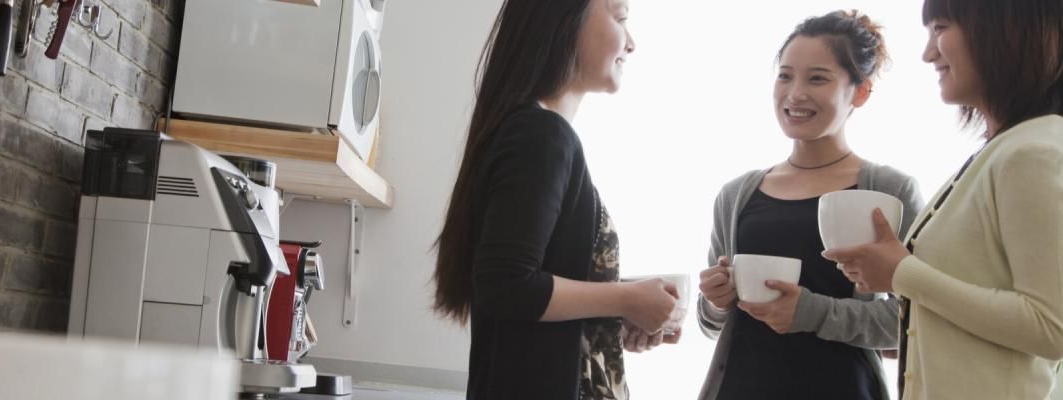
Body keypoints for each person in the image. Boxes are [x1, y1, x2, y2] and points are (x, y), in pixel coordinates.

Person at [431, 0, 679, 399]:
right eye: (620, 19)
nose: (631, 43)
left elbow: (527, 289)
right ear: (565, 19)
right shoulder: (540, 135)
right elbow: (507, 284)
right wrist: (625, 297)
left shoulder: (534, 131)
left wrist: (622, 311)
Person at [824, 1, 1063, 399]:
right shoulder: (1005, 150)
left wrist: (903, 274)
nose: (928, 52)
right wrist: (890, 274)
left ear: (1005, 32)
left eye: (940, 28)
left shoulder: (1032, 153)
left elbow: (1051, 327)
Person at [695, 10, 924, 400]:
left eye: (817, 78)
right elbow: (713, 323)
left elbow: (917, 320)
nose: (795, 93)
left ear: (861, 92)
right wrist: (715, 303)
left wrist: (812, 313)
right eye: (785, 75)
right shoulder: (737, 195)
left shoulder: (889, 190)